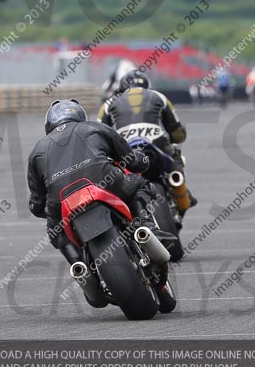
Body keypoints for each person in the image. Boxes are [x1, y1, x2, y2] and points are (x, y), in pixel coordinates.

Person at [27, 100, 167, 266]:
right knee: (140, 185)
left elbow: (36, 204)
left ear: (49, 123)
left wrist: (47, 211)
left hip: (61, 199)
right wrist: (143, 160)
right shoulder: (95, 127)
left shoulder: (37, 150)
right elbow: (133, 161)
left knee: (57, 233)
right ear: (79, 115)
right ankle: (146, 228)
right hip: (105, 180)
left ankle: (80, 268)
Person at [97, 70, 198, 215]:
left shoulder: (108, 104)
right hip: (157, 143)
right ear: (147, 85)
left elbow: (100, 134)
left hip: (125, 149)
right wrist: (175, 139)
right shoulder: (159, 97)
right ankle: (182, 193)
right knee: (175, 157)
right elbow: (177, 132)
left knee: (110, 174)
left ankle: (118, 212)